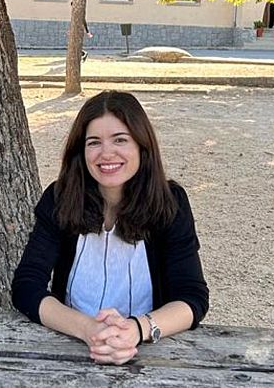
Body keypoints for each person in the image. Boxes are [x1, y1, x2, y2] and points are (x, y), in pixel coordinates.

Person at [12, 91, 209, 365]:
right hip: (70, 346)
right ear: (81, 152)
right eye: (94, 142)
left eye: (120, 140)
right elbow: (26, 286)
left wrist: (136, 329)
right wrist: (88, 329)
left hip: (147, 352)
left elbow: (192, 298)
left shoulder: (170, 203)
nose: (106, 153)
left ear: (142, 146)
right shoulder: (59, 198)